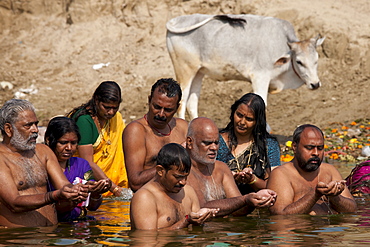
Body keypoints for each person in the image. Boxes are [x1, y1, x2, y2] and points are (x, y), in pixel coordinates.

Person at [0, 99, 88, 227]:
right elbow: (14, 203)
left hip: (51, 236)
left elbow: (64, 185)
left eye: (36, 124)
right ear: (8, 129)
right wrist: (53, 196)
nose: (35, 130)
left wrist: (81, 190)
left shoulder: (43, 151)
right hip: (17, 238)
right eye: (28, 125)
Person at [185, 117, 277, 217]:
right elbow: (202, 208)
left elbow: (239, 209)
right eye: (207, 143)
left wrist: (258, 198)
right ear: (190, 142)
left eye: (216, 142)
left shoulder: (221, 168)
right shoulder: (183, 171)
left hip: (224, 230)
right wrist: (245, 199)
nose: (214, 148)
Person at [267, 124, 357, 215]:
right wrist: (315, 194)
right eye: (309, 148)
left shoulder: (330, 170)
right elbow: (280, 214)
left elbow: (352, 209)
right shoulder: (281, 174)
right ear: (294, 147)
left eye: (320, 148)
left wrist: (333, 197)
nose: (316, 153)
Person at [130, 143, 218, 230]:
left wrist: (202, 219)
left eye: (186, 176)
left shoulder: (188, 192)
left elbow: (195, 233)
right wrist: (186, 221)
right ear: (160, 171)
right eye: (177, 177)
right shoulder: (144, 198)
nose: (183, 182)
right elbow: (147, 239)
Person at [123, 78, 188, 192]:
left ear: (177, 108)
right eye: (157, 107)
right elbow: (135, 183)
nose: (161, 114)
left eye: (168, 109)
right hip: (150, 198)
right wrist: (174, 160)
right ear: (149, 100)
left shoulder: (183, 127)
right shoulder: (136, 130)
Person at [44, 117, 111, 221]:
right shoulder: (40, 167)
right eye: (63, 143)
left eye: (74, 143)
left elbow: (92, 207)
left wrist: (96, 192)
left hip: (79, 225)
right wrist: (74, 198)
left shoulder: (81, 164)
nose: (69, 148)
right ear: (48, 140)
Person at [68, 81, 127, 196]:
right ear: (96, 100)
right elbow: (87, 163)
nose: (111, 112)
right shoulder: (84, 121)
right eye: (106, 107)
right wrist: (115, 189)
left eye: (115, 108)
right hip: (85, 184)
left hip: (111, 182)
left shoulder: (116, 118)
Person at [217, 93, 280, 195]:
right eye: (239, 115)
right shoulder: (217, 141)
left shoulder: (268, 145)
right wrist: (227, 178)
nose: (242, 122)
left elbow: (274, 187)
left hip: (257, 204)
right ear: (233, 113)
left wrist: (252, 180)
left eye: (249, 119)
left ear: (258, 122)